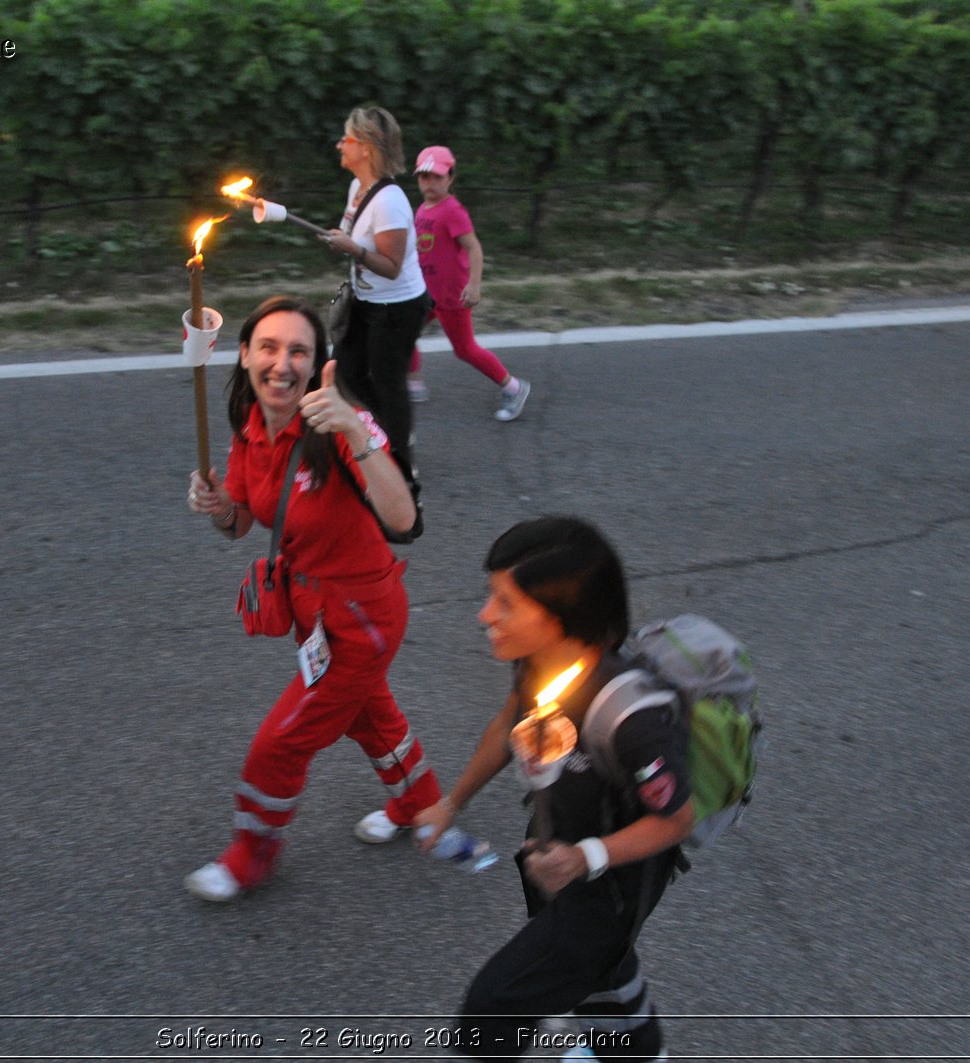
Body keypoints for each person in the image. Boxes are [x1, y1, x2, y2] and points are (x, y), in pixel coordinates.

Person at [183, 295, 442, 901]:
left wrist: (355, 427)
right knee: (370, 719)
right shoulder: (249, 426)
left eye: (298, 350)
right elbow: (242, 523)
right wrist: (217, 506)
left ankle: (251, 854)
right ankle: (418, 800)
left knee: (281, 742)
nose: (283, 363)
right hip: (314, 619)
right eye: (269, 347)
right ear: (244, 353)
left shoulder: (338, 424)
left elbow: (403, 517)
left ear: (316, 363)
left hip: (364, 620)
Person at [413, 517, 691, 1061]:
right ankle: (637, 1051)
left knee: (492, 1009)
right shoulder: (541, 663)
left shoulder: (632, 717)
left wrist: (585, 857)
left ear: (564, 617)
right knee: (594, 969)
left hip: (609, 884)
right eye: (490, 596)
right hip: (553, 849)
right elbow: (507, 726)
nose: (484, 616)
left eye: (505, 603)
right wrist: (452, 802)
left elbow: (677, 819)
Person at [320, 105, 430, 464]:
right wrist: (344, 241)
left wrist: (351, 248)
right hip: (367, 302)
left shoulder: (391, 203)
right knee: (345, 373)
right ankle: (375, 432)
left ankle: (399, 459)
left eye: (346, 138)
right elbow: (356, 237)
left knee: (389, 383)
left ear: (365, 147)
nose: (339, 145)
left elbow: (392, 267)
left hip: (397, 309)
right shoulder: (358, 187)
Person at [406, 145, 531, 422]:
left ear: (450, 178)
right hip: (426, 292)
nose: (430, 183)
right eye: (424, 177)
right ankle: (413, 384)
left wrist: (474, 285)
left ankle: (514, 387)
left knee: (465, 349)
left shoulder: (452, 211)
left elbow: (474, 248)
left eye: (437, 177)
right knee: (405, 332)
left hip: (451, 296)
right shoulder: (424, 208)